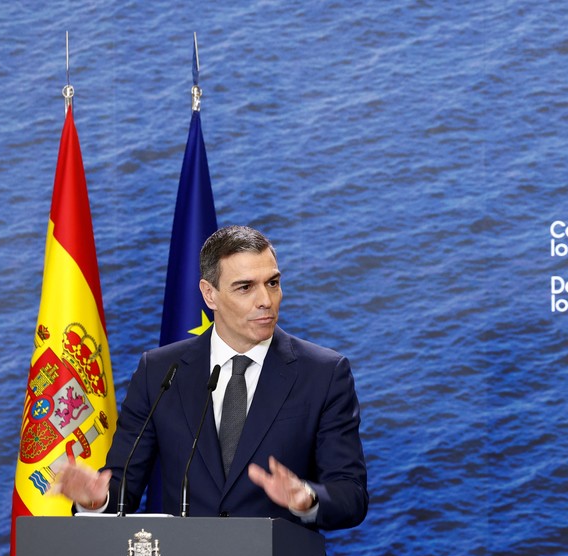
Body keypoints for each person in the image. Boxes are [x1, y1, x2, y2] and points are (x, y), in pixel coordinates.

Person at [54, 225, 368, 537]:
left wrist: (307, 498)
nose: (266, 300)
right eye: (245, 287)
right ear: (209, 294)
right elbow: (123, 488)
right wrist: (96, 501)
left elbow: (350, 497)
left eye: (272, 283)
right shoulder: (161, 372)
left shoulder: (323, 373)